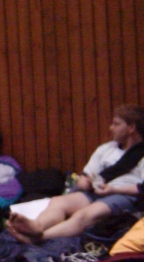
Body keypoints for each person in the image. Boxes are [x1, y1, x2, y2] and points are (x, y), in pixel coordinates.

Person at [7, 105, 144, 245]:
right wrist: (84, 182)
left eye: (116, 124)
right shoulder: (106, 149)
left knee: (83, 214)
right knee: (58, 202)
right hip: (96, 191)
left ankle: (39, 238)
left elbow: (142, 188)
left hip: (123, 195)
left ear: (131, 128)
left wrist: (113, 189)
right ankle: (37, 226)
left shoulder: (141, 154)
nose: (111, 128)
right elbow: (85, 176)